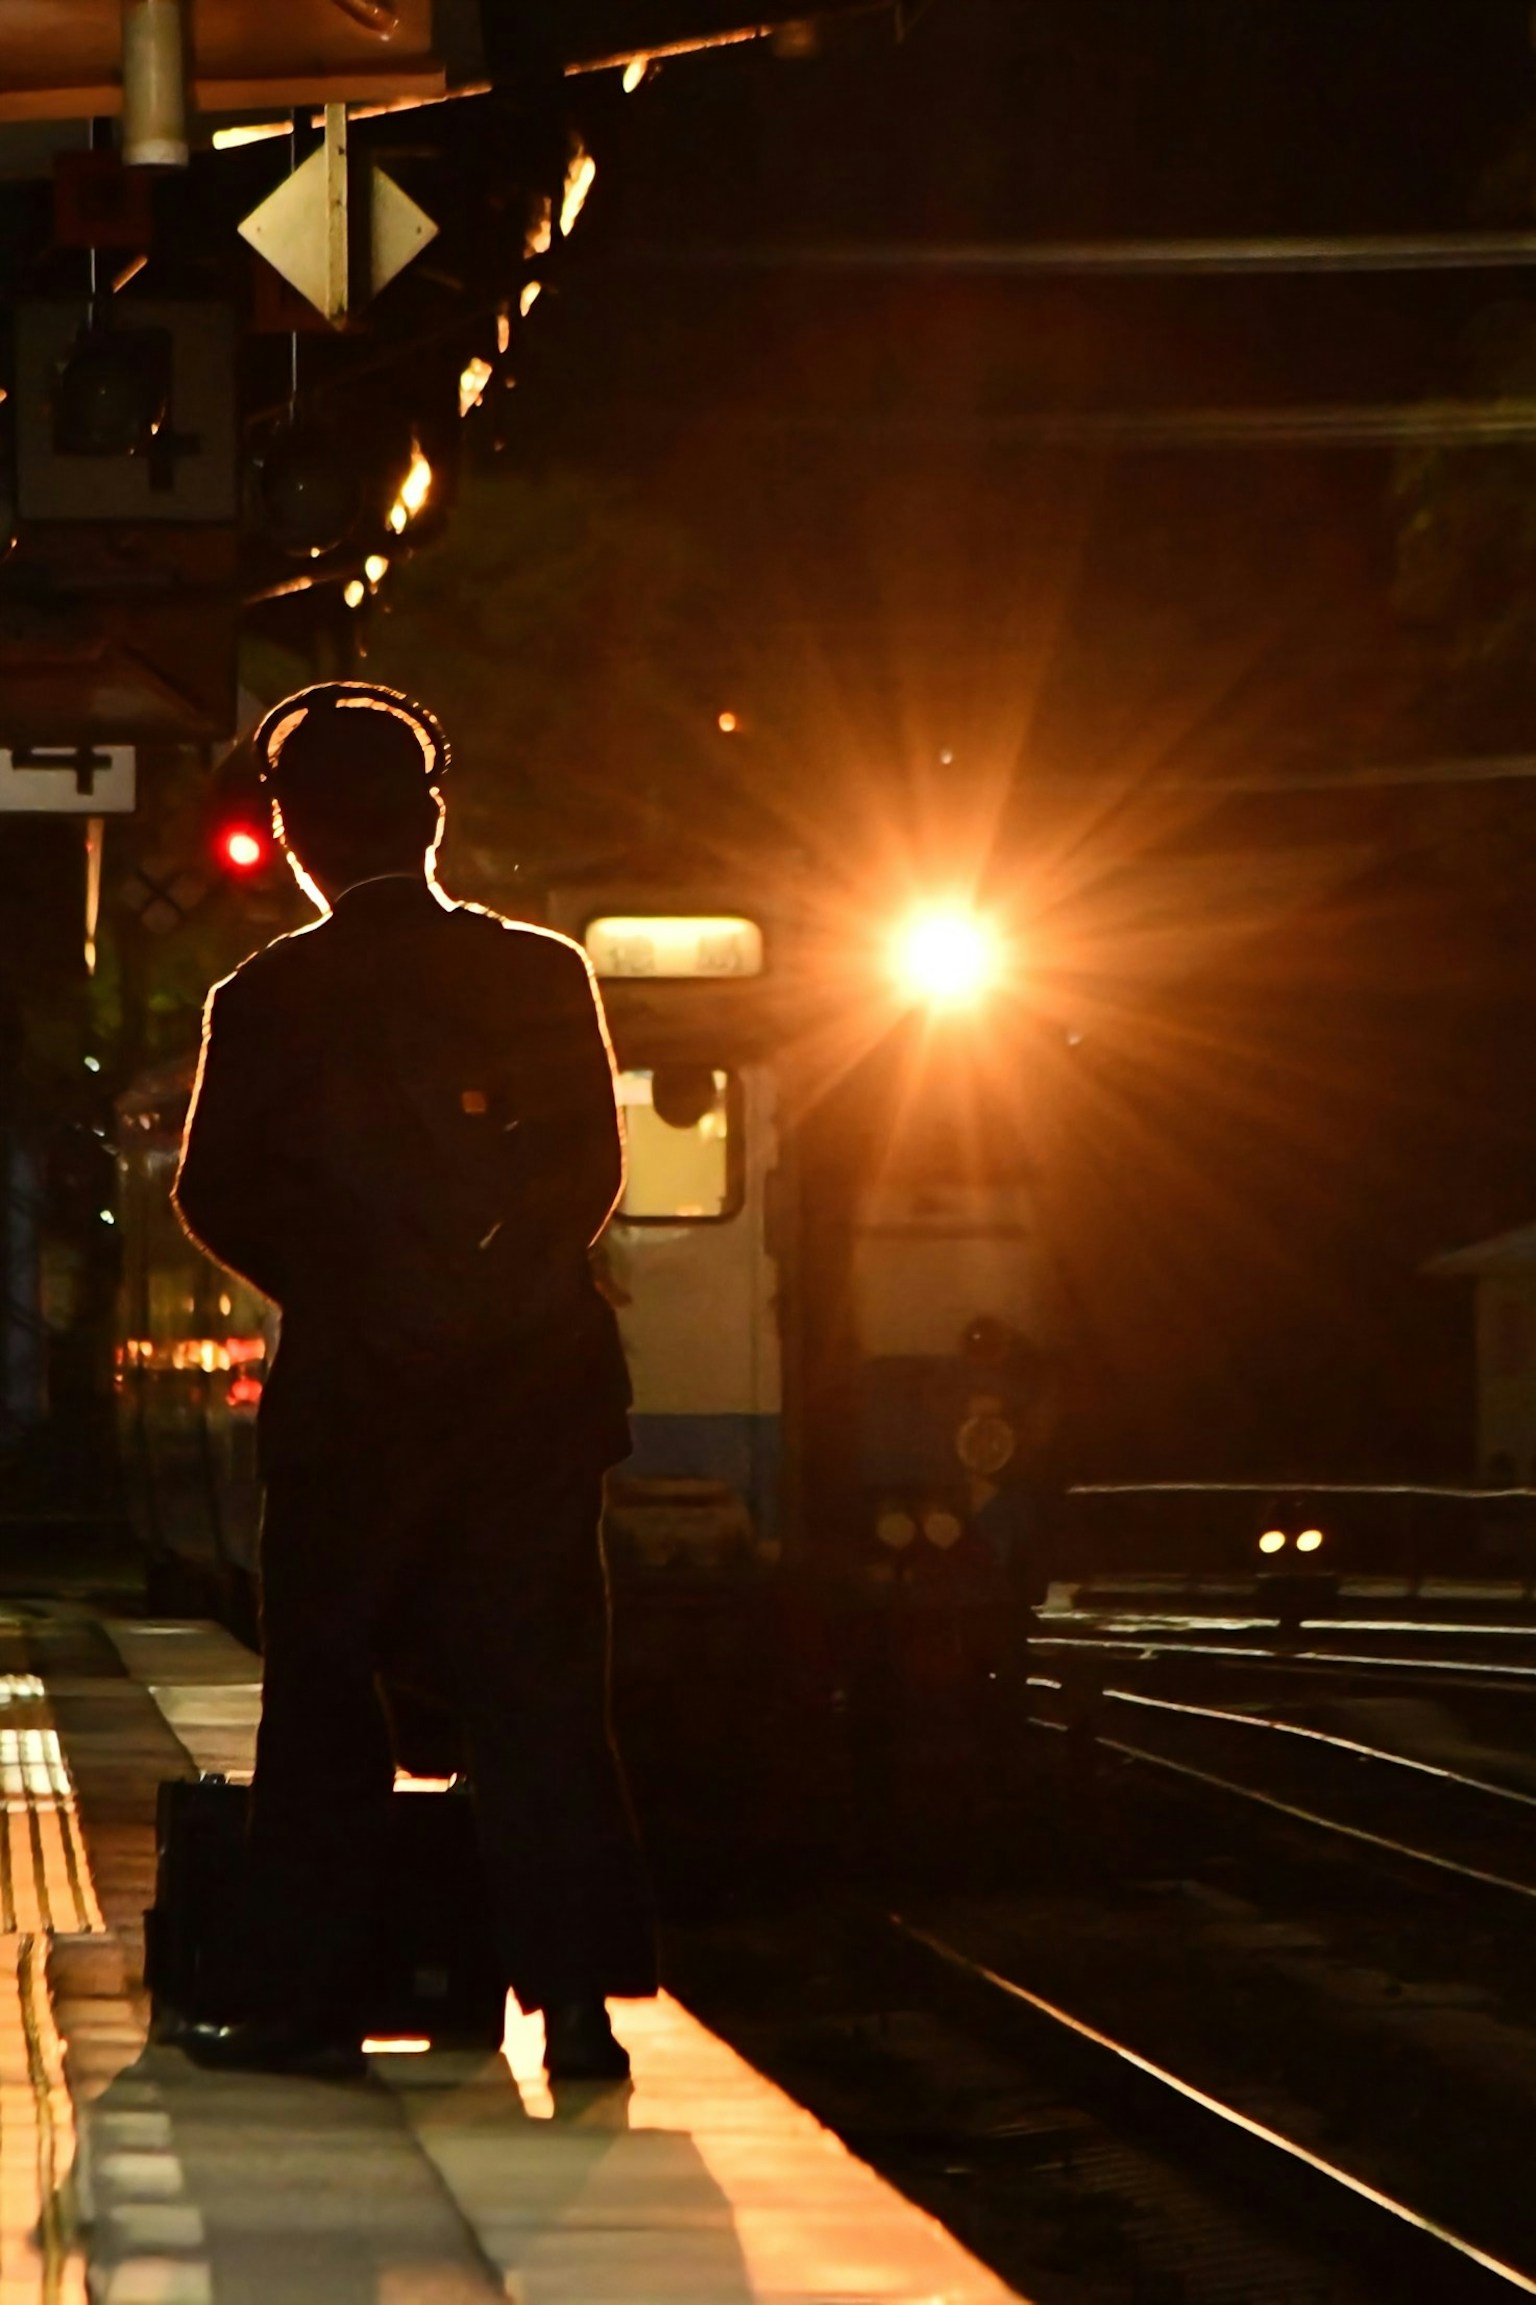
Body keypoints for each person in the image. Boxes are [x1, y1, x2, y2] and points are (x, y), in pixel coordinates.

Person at [172, 680, 654, 2079]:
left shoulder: (265, 997)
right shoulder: (541, 974)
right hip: (532, 1400)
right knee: (540, 1696)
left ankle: (306, 2003)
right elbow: (588, 1171)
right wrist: (492, 1287)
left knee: (326, 1696)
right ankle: (577, 2012)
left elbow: (213, 1192)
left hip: (355, 1409)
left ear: (298, 839)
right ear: (431, 819)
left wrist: (350, 1290)